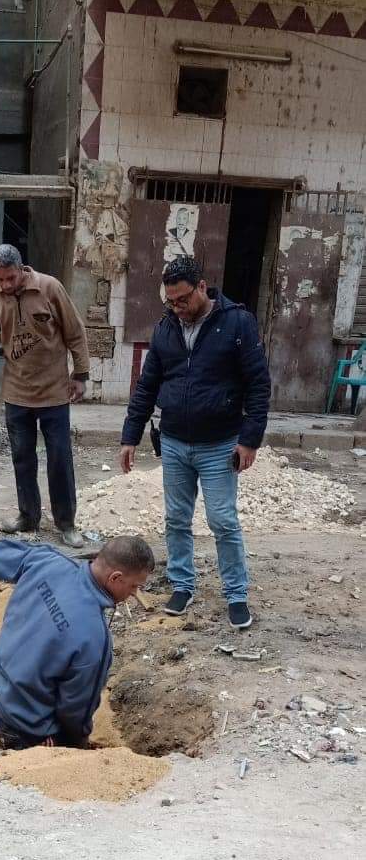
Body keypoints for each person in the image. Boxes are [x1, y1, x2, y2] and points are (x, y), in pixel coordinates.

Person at [120, 255, 271, 630]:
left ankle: (236, 594)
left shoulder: (237, 323)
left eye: (183, 299)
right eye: (171, 301)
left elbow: (258, 385)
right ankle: (182, 585)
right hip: (174, 442)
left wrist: (250, 440)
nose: (178, 307)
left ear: (202, 287)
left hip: (220, 444)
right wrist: (130, 435)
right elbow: (147, 385)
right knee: (176, 518)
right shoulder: (166, 327)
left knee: (223, 521)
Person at [0, 244, 89, 548]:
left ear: (22, 269)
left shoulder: (49, 288)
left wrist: (81, 375)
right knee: (22, 458)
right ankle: (28, 515)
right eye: (0, 279)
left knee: (59, 459)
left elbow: (75, 331)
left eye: (10, 278)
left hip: (54, 392)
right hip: (16, 393)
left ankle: (66, 523)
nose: (6, 285)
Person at [0, 535, 155, 750]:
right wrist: (77, 745)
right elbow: (75, 710)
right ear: (115, 577)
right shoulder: (93, 637)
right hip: (26, 728)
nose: (134, 593)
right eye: (134, 586)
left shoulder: (48, 561)